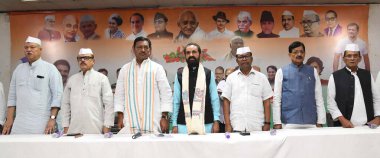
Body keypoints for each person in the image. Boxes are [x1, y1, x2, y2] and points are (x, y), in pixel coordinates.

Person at [2, 36, 63, 135]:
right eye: (26, 48)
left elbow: (57, 96)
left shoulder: (50, 69)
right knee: (16, 150)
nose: (28, 50)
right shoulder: (18, 69)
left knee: (39, 150)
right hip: (19, 123)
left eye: (32, 47)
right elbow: (12, 97)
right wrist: (9, 119)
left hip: (42, 123)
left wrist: (52, 119)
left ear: (40, 49)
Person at [114, 37, 173, 134]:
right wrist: (120, 117)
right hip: (130, 121)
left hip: (153, 120)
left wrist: (164, 117)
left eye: (146, 47)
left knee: (153, 148)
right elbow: (119, 95)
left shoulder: (157, 68)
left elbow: (166, 94)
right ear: (133, 49)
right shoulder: (125, 69)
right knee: (130, 148)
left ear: (150, 50)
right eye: (139, 47)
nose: (143, 50)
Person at [273, 41, 326, 129]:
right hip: (288, 122)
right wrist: (277, 122)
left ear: (305, 54)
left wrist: (320, 121)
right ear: (289, 55)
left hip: (311, 122)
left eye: (302, 52)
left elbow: (319, 97)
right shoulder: (281, 71)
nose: (299, 54)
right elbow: (277, 98)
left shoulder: (313, 71)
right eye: (295, 52)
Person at [61, 48, 114, 134]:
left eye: (86, 58)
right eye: (80, 58)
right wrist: (65, 125)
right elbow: (65, 104)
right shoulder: (72, 79)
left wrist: (107, 125)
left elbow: (109, 104)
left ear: (93, 61)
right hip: (74, 128)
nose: (82, 60)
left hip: (96, 127)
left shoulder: (102, 78)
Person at [172, 43, 220, 134]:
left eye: (194, 52)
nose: (191, 55)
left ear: (200, 54)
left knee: (206, 148)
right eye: (188, 53)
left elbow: (214, 99)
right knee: (183, 148)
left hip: (206, 122)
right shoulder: (180, 74)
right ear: (185, 55)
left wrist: (216, 120)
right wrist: (174, 123)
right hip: (183, 123)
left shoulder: (208, 73)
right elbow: (176, 100)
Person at [328, 44, 380, 128]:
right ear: (343, 58)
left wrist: (378, 117)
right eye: (349, 56)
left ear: (360, 58)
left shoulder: (367, 75)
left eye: (355, 56)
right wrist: (342, 120)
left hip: (368, 126)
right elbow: (331, 102)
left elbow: (376, 98)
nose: (352, 58)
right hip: (345, 126)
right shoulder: (335, 76)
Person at [223, 46, 272, 132]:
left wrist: (267, 123)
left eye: (247, 56)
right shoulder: (231, 78)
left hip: (257, 126)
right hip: (236, 125)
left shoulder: (262, 77)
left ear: (251, 59)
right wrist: (227, 124)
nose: (244, 59)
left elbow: (266, 101)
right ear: (237, 60)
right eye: (241, 57)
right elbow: (226, 101)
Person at [306, 56, 333, 127]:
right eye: (310, 68)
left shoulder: (327, 83)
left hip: (328, 116)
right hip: (309, 118)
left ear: (320, 69)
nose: (313, 70)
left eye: (315, 67)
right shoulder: (304, 85)